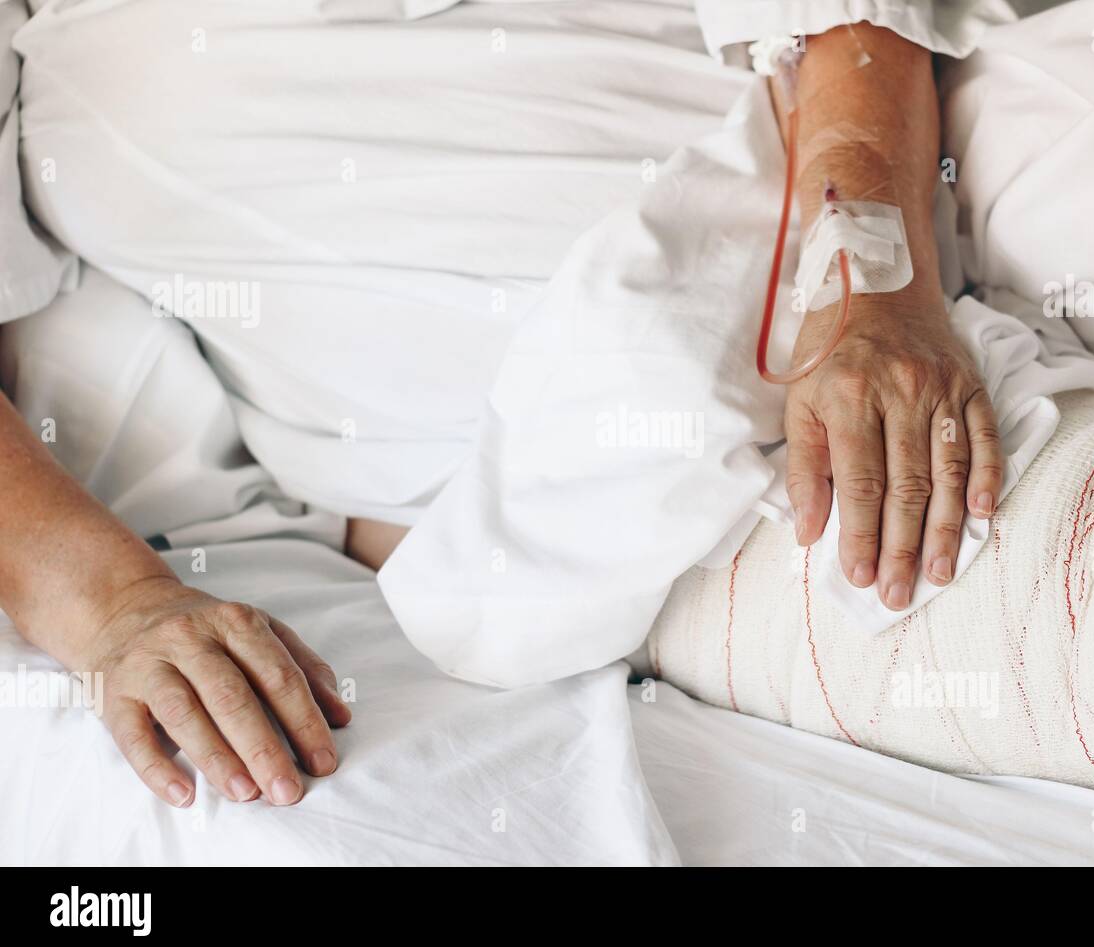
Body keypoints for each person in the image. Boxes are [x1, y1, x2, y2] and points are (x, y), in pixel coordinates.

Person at [1, 0, 1003, 805]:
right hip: (523, 552)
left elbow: (838, 18)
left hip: (854, 319)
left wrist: (873, 285)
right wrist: (115, 608)